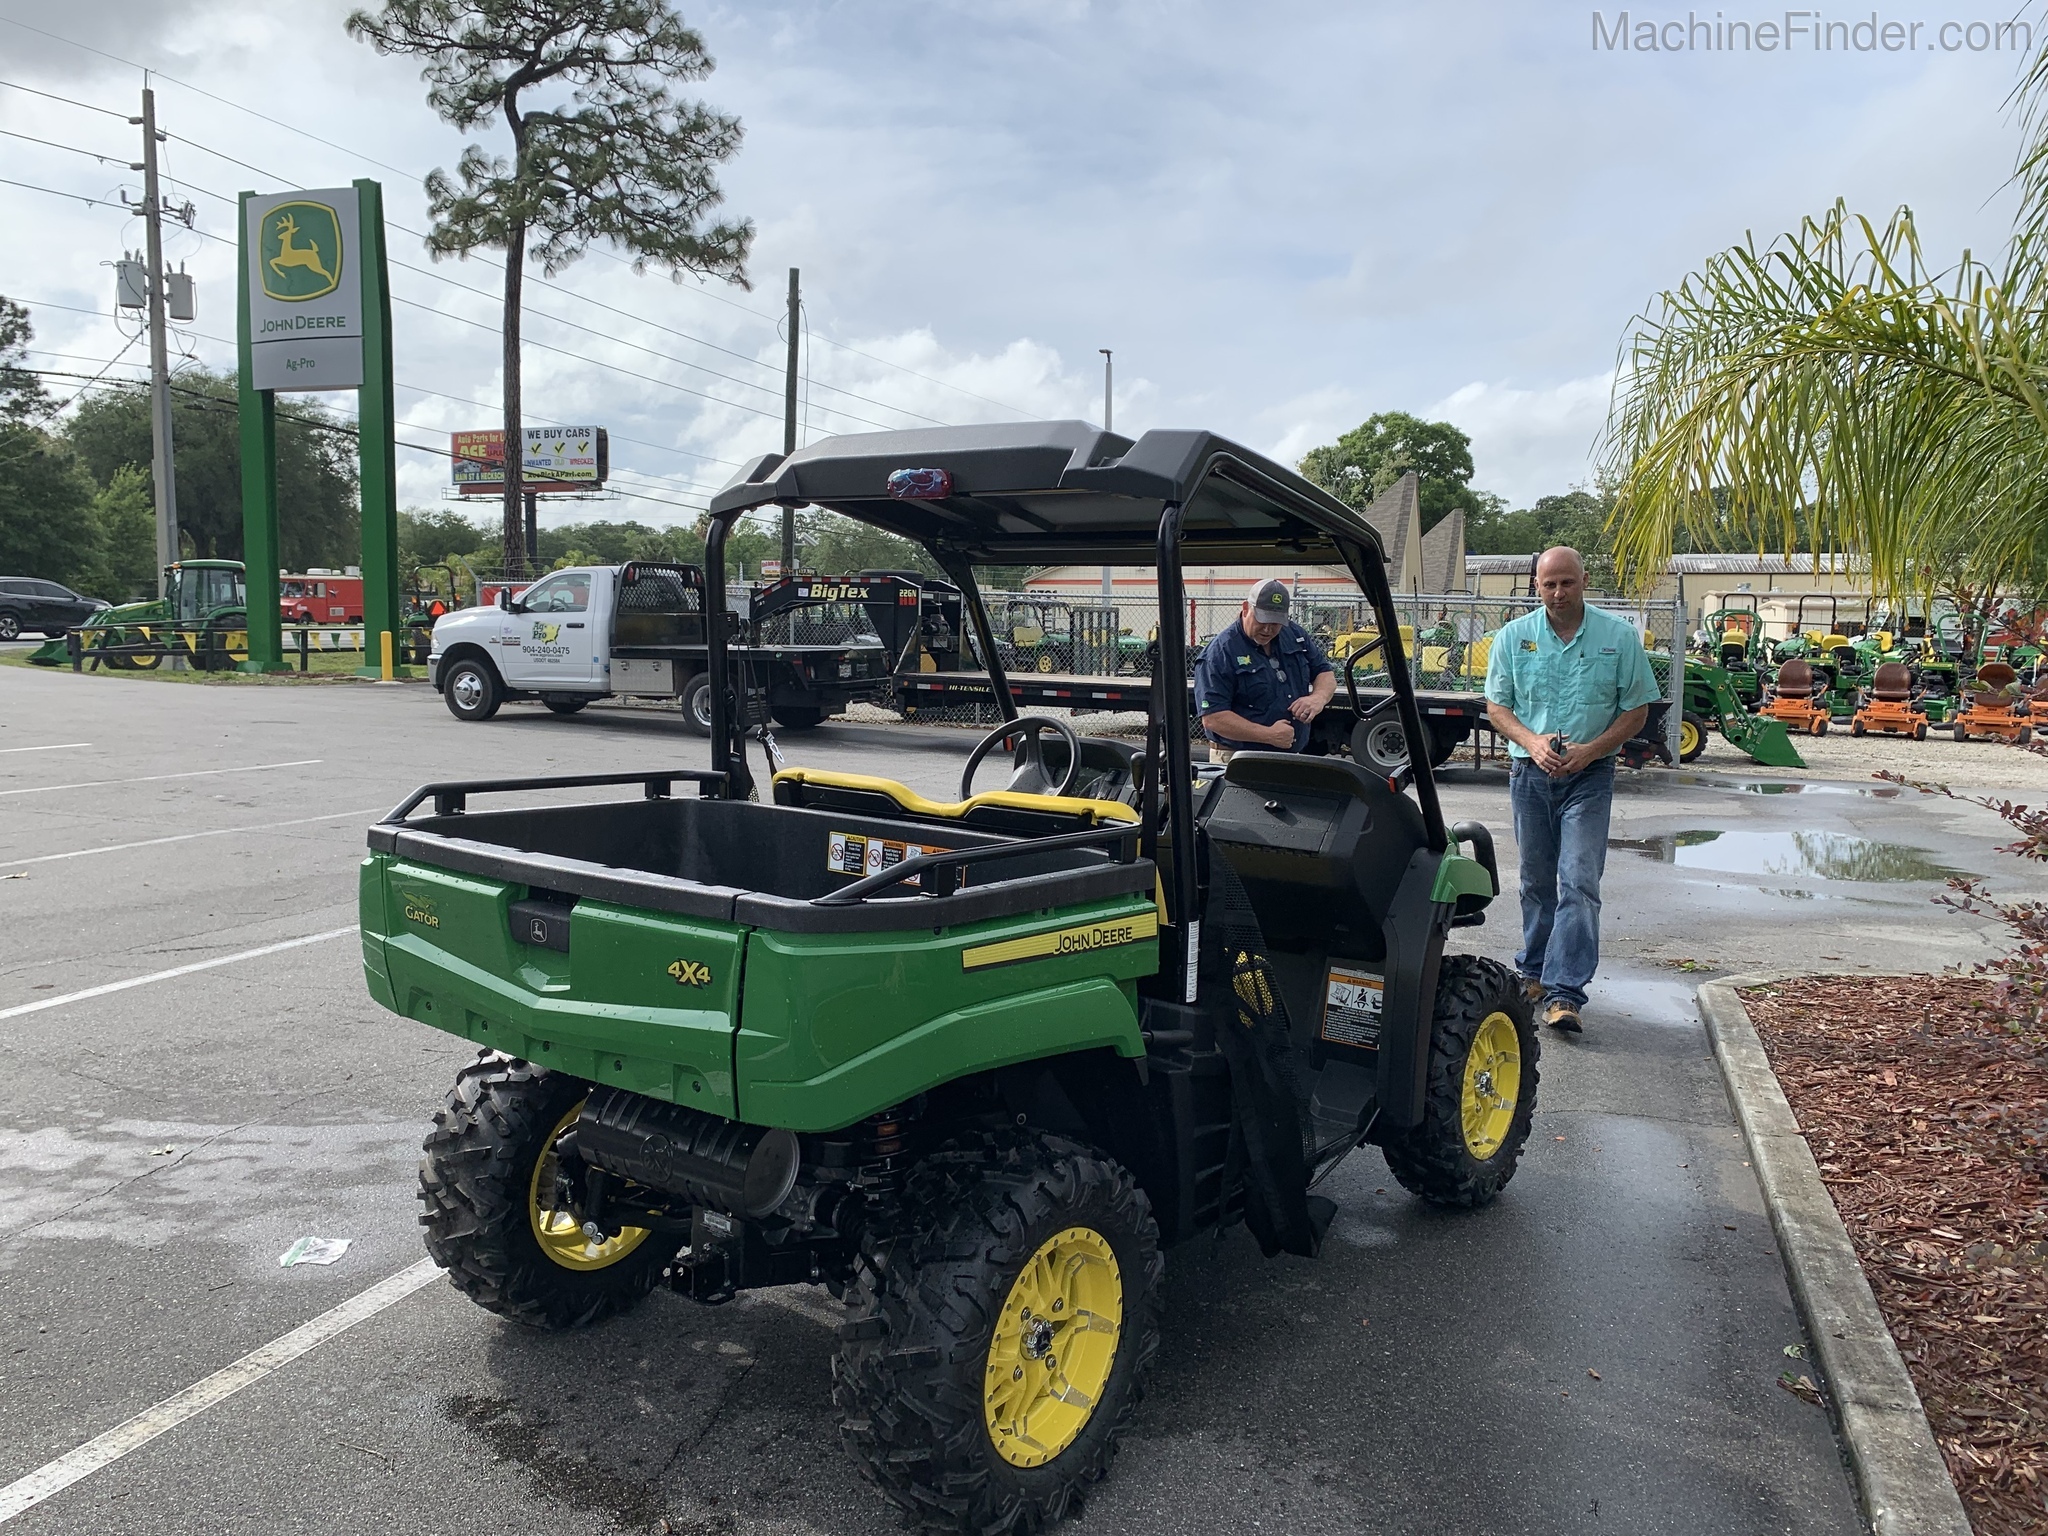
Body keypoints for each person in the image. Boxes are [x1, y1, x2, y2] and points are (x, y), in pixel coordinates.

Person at [1483, 547, 1662, 1033]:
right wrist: (1532, 742)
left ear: (1585, 580)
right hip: (1530, 776)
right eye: (1549, 585)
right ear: (1535, 586)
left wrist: (1590, 750)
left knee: (1579, 880)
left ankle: (1565, 993)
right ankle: (1535, 972)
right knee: (1536, 881)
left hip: (1589, 777)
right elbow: (1498, 706)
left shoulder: (1618, 638)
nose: (1558, 593)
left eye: (1567, 583)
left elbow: (1637, 710)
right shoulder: (1514, 638)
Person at [1194, 579, 1336, 763]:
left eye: (1276, 622)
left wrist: (1317, 698)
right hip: (1239, 758)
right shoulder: (1220, 653)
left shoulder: (1294, 635)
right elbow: (1213, 718)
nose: (1268, 629)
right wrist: (1268, 735)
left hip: (1290, 755)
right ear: (1246, 608)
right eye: (1262, 620)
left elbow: (1324, 672)